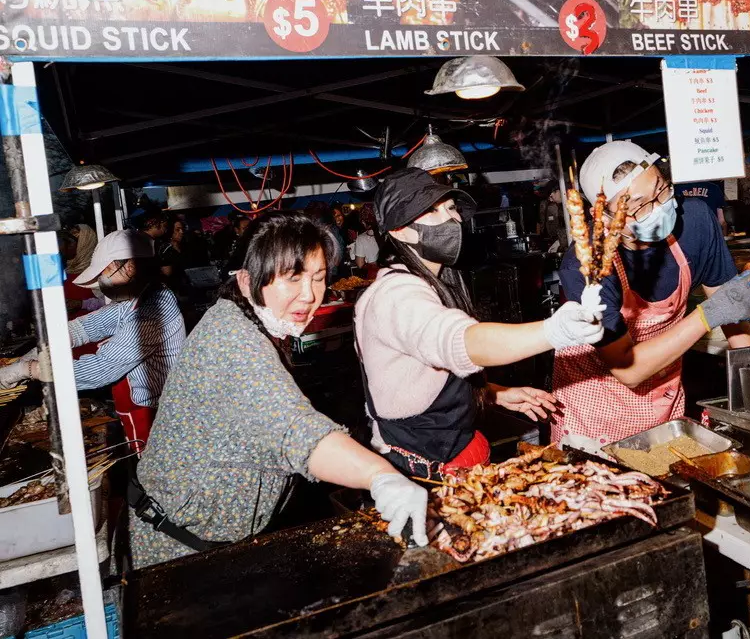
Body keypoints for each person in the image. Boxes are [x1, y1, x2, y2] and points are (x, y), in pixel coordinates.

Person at [130, 212, 429, 568]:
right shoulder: (232, 342)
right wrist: (380, 477)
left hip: (210, 542)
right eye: (292, 278)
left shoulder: (245, 320)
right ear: (245, 280)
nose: (310, 295)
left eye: (319, 278)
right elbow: (297, 430)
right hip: (176, 554)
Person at [354, 169, 604, 479]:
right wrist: (554, 331)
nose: (452, 219)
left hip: (453, 450)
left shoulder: (434, 279)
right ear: (399, 231)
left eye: (450, 207)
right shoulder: (396, 294)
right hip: (419, 468)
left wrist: (492, 394)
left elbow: (420, 380)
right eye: (432, 211)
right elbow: (459, 341)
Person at [552, 141, 750, 452]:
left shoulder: (694, 221)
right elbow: (630, 370)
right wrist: (706, 315)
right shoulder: (588, 266)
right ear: (603, 217)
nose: (658, 209)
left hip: (661, 398)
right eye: (638, 206)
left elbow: (730, 306)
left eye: (661, 191)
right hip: (594, 409)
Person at [0, 230, 185, 451]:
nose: (100, 280)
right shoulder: (135, 298)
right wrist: (36, 352)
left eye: (104, 271)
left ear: (129, 267)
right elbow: (85, 327)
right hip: (135, 403)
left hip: (155, 412)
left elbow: (100, 369)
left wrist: (29, 369)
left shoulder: (155, 309)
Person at [537, 182, 568, 253]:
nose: (551, 200)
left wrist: (560, 242)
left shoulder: (574, 202)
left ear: (558, 191)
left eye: (551, 196)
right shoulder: (561, 206)